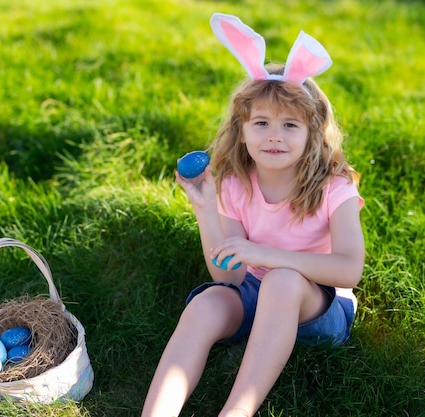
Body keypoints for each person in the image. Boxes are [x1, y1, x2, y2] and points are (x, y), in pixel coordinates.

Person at [142, 13, 365, 417]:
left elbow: (349, 270)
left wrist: (265, 256)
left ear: (313, 132)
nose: (274, 135)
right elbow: (229, 276)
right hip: (255, 292)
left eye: (290, 125)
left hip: (319, 308)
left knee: (281, 281)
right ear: (241, 130)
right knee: (206, 304)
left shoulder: (335, 187)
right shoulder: (234, 184)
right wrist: (206, 208)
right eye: (261, 122)